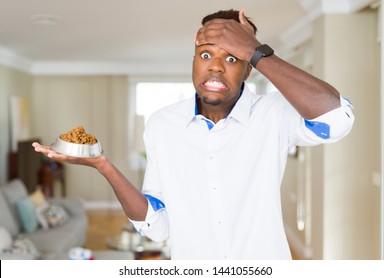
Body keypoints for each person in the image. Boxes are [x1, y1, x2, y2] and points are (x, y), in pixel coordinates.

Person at [33, 9, 354, 259]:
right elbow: (155, 227)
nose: (215, 67)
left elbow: (338, 119)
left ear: (248, 68)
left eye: (233, 57)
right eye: (205, 54)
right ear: (193, 60)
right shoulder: (162, 124)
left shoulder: (273, 114)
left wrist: (255, 50)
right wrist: (104, 165)